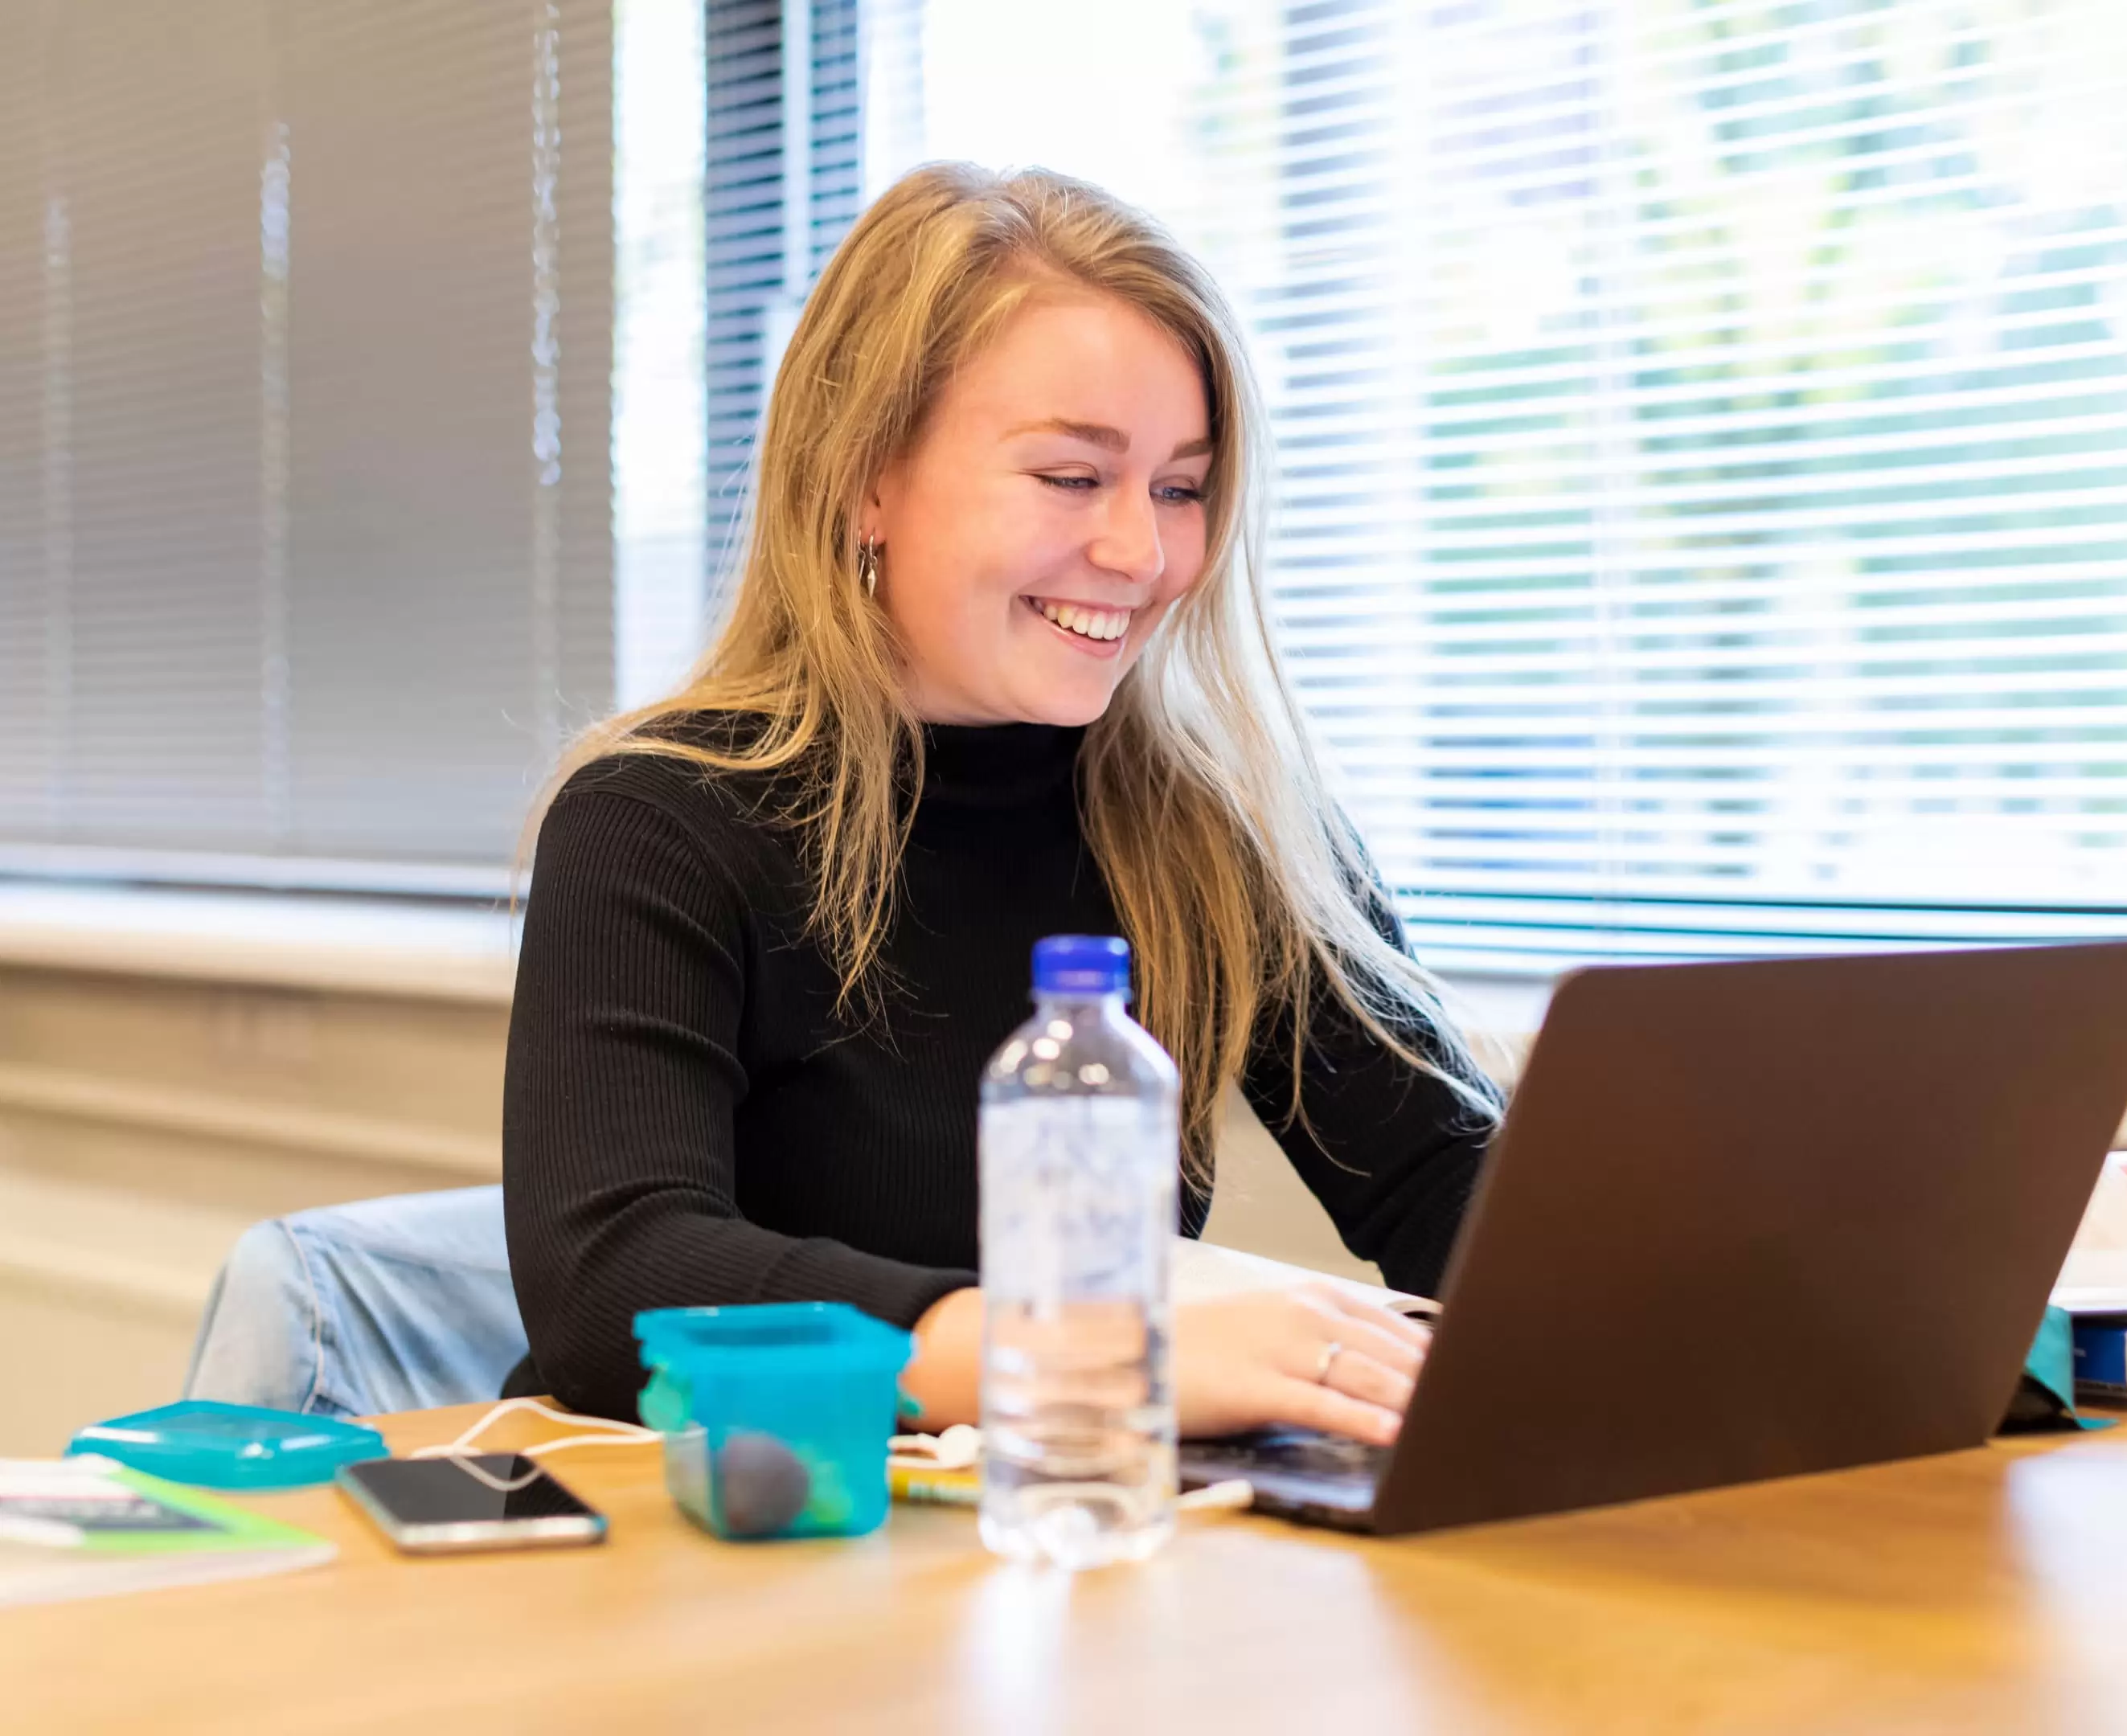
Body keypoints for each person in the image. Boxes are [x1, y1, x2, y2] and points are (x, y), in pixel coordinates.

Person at [502, 162, 1501, 1447]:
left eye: (1181, 488)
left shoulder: (1224, 830)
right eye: (1073, 479)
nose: (1143, 555)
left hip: (1062, 1559)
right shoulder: (658, 820)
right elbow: (620, 1290)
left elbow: (1451, 1188)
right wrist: (1094, 1356)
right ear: (868, 475)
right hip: (734, 1543)